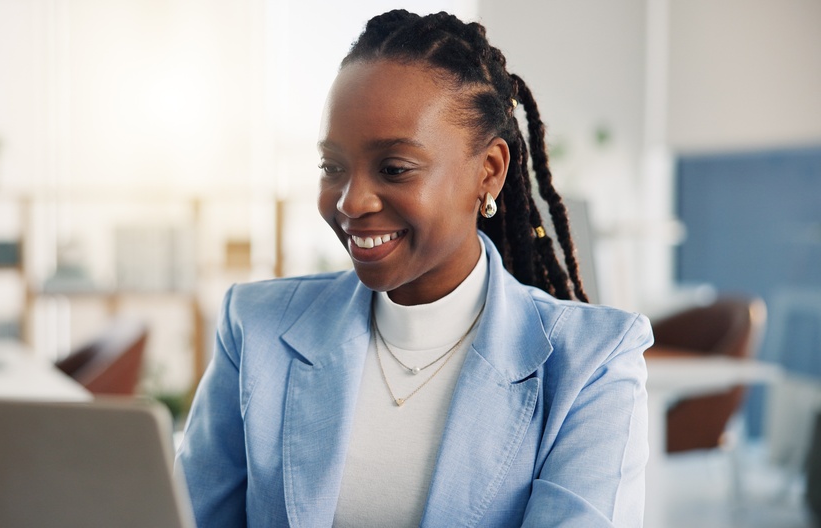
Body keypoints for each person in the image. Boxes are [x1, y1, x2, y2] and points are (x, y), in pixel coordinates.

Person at [176, 9, 652, 528]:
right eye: (333, 167)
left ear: (488, 171)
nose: (352, 201)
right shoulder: (255, 327)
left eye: (394, 168)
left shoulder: (594, 363)